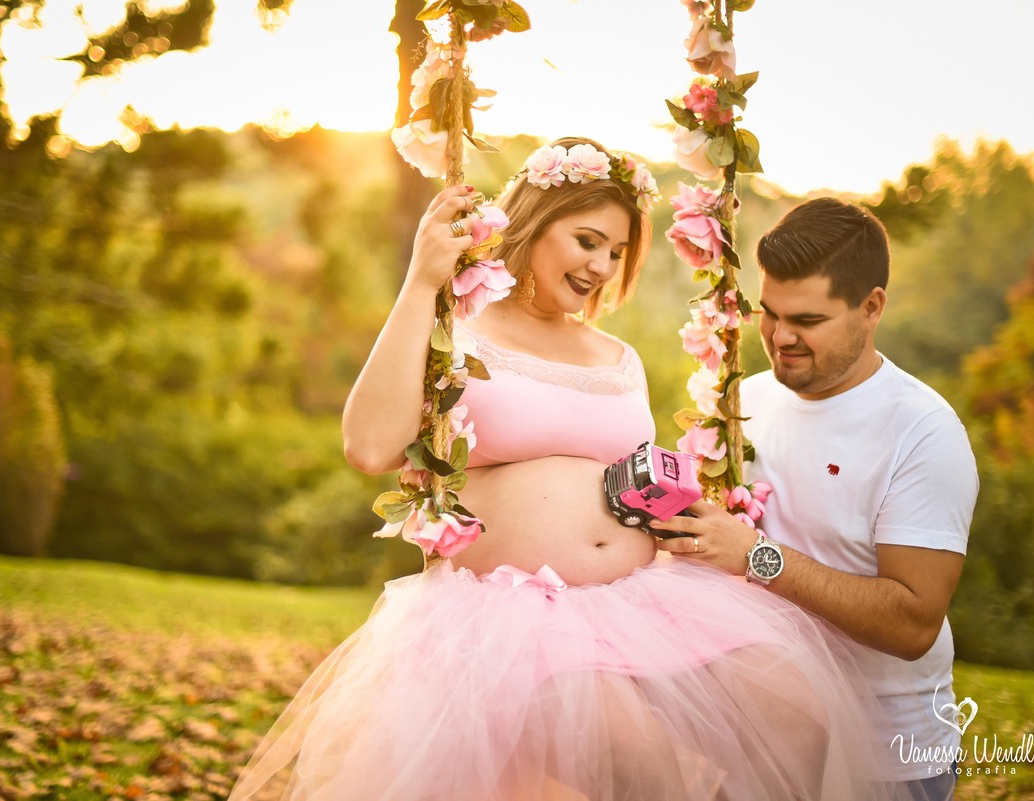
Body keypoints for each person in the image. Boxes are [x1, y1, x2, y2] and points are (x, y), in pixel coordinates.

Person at [228, 140, 913, 801]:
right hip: (515, 613)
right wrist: (421, 280)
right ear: (535, 222)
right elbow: (370, 445)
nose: (601, 267)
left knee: (798, 720)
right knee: (642, 768)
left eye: (617, 252)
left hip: (646, 595)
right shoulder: (456, 327)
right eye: (587, 241)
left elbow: (622, 476)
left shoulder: (617, 355)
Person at [653, 197, 979, 801]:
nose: (780, 337)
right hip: (757, 733)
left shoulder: (924, 432)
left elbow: (913, 624)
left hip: (886, 757)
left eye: (807, 319)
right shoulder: (739, 402)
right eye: (768, 314)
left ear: (871, 306)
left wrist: (756, 556)